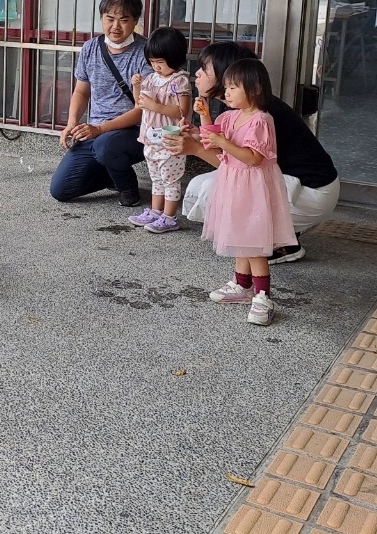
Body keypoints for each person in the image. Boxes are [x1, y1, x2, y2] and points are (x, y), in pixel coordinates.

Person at [169, 41, 339, 263]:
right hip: (294, 184)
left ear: (227, 75)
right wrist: (196, 134)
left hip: (312, 192)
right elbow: (227, 149)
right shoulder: (239, 106)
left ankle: (278, 244)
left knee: (210, 191)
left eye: (205, 69)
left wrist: (196, 149)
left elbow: (240, 163)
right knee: (207, 187)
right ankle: (279, 237)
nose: (197, 74)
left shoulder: (261, 115)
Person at [198, 59, 298, 327]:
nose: (226, 93)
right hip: (234, 184)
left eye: (232, 87)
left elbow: (253, 158)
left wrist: (223, 142)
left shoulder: (261, 120)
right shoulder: (230, 116)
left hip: (253, 186)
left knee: (253, 242)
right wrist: (204, 116)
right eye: (226, 87)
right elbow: (212, 140)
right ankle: (242, 285)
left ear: (254, 89)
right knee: (241, 234)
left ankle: (264, 296)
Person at [50, 0, 155, 206]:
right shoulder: (90, 47)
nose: (116, 26)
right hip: (95, 131)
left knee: (106, 146)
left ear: (135, 20)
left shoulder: (146, 52)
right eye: (110, 19)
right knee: (61, 190)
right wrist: (71, 123)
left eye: (124, 20)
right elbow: (81, 91)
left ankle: (127, 188)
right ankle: (113, 174)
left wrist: (99, 130)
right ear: (101, 18)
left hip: (134, 131)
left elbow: (142, 109)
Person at [127, 28, 193, 234]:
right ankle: (156, 212)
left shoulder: (179, 81)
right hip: (152, 137)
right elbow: (140, 102)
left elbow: (182, 110)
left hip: (171, 137)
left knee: (170, 179)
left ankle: (170, 216)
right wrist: (136, 86)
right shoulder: (153, 78)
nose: (155, 66)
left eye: (160, 62)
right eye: (152, 61)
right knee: (156, 177)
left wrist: (156, 107)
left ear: (174, 59)